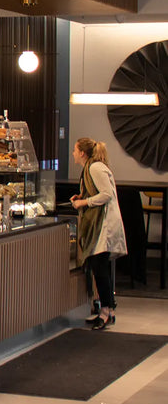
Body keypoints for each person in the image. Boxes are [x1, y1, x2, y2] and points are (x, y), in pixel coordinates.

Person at [71, 137, 126, 330]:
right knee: (100, 266)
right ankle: (108, 310)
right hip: (101, 224)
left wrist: (84, 202)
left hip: (104, 224)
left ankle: (105, 311)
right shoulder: (92, 168)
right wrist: (82, 197)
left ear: (83, 153)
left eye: (75, 150)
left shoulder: (94, 168)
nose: (73, 154)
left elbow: (106, 194)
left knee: (99, 267)